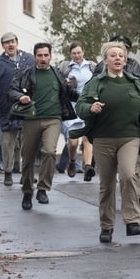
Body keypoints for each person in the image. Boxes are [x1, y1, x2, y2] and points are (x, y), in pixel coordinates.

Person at [75, 41, 140, 243]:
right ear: (105, 60)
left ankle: (133, 221)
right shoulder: (96, 83)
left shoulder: (132, 81)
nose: (118, 58)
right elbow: (81, 105)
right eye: (113, 55)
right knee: (107, 183)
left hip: (130, 136)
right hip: (103, 138)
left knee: (128, 175)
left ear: (125, 60)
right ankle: (106, 226)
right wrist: (90, 108)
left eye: (121, 55)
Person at [10, 42, 78, 211]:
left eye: (45, 55)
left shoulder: (58, 74)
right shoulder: (25, 74)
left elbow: (70, 93)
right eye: (39, 56)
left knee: (49, 151)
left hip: (53, 119)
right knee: (28, 157)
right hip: (31, 119)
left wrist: (89, 98)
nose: (43, 59)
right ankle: (27, 191)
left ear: (50, 56)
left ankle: (43, 188)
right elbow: (11, 90)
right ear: (34, 57)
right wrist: (20, 97)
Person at [0, 32, 35, 186]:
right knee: (7, 143)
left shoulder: (29, 59)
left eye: (12, 42)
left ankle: (27, 173)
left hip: (28, 106)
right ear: (3, 46)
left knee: (28, 143)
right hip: (7, 108)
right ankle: (8, 172)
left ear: (17, 42)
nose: (10, 45)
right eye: (6, 43)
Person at [56, 41, 95, 178]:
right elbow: (57, 82)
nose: (77, 55)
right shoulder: (64, 67)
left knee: (87, 139)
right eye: (74, 53)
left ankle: (88, 167)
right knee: (73, 142)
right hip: (71, 108)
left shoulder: (92, 66)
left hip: (87, 107)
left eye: (79, 52)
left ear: (83, 52)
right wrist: (66, 84)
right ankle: (72, 162)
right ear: (70, 54)